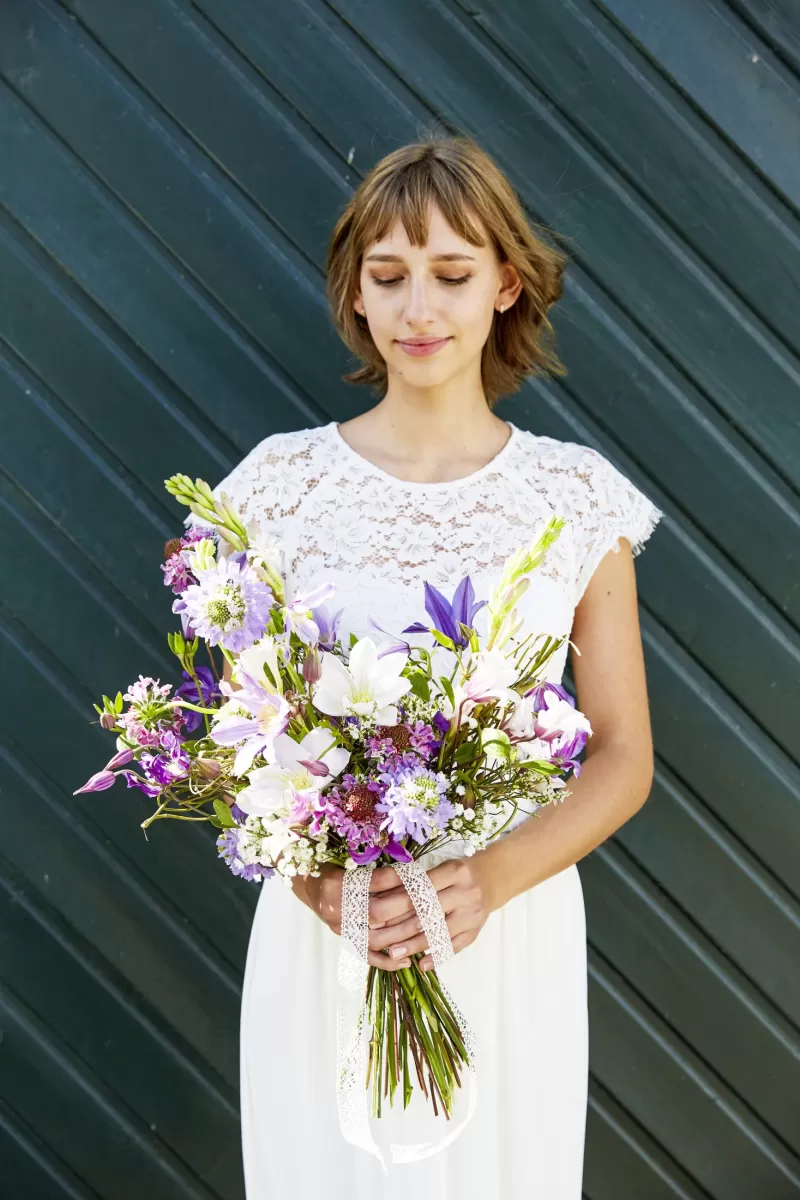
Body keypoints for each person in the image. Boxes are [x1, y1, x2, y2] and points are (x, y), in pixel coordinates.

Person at [186, 133, 663, 1198]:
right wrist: (323, 886)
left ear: (504, 285)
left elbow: (622, 755)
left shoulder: (574, 500)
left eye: (450, 275)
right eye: (388, 276)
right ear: (354, 291)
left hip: (510, 922)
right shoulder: (276, 490)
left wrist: (480, 882)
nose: (418, 310)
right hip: (333, 930)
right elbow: (233, 746)